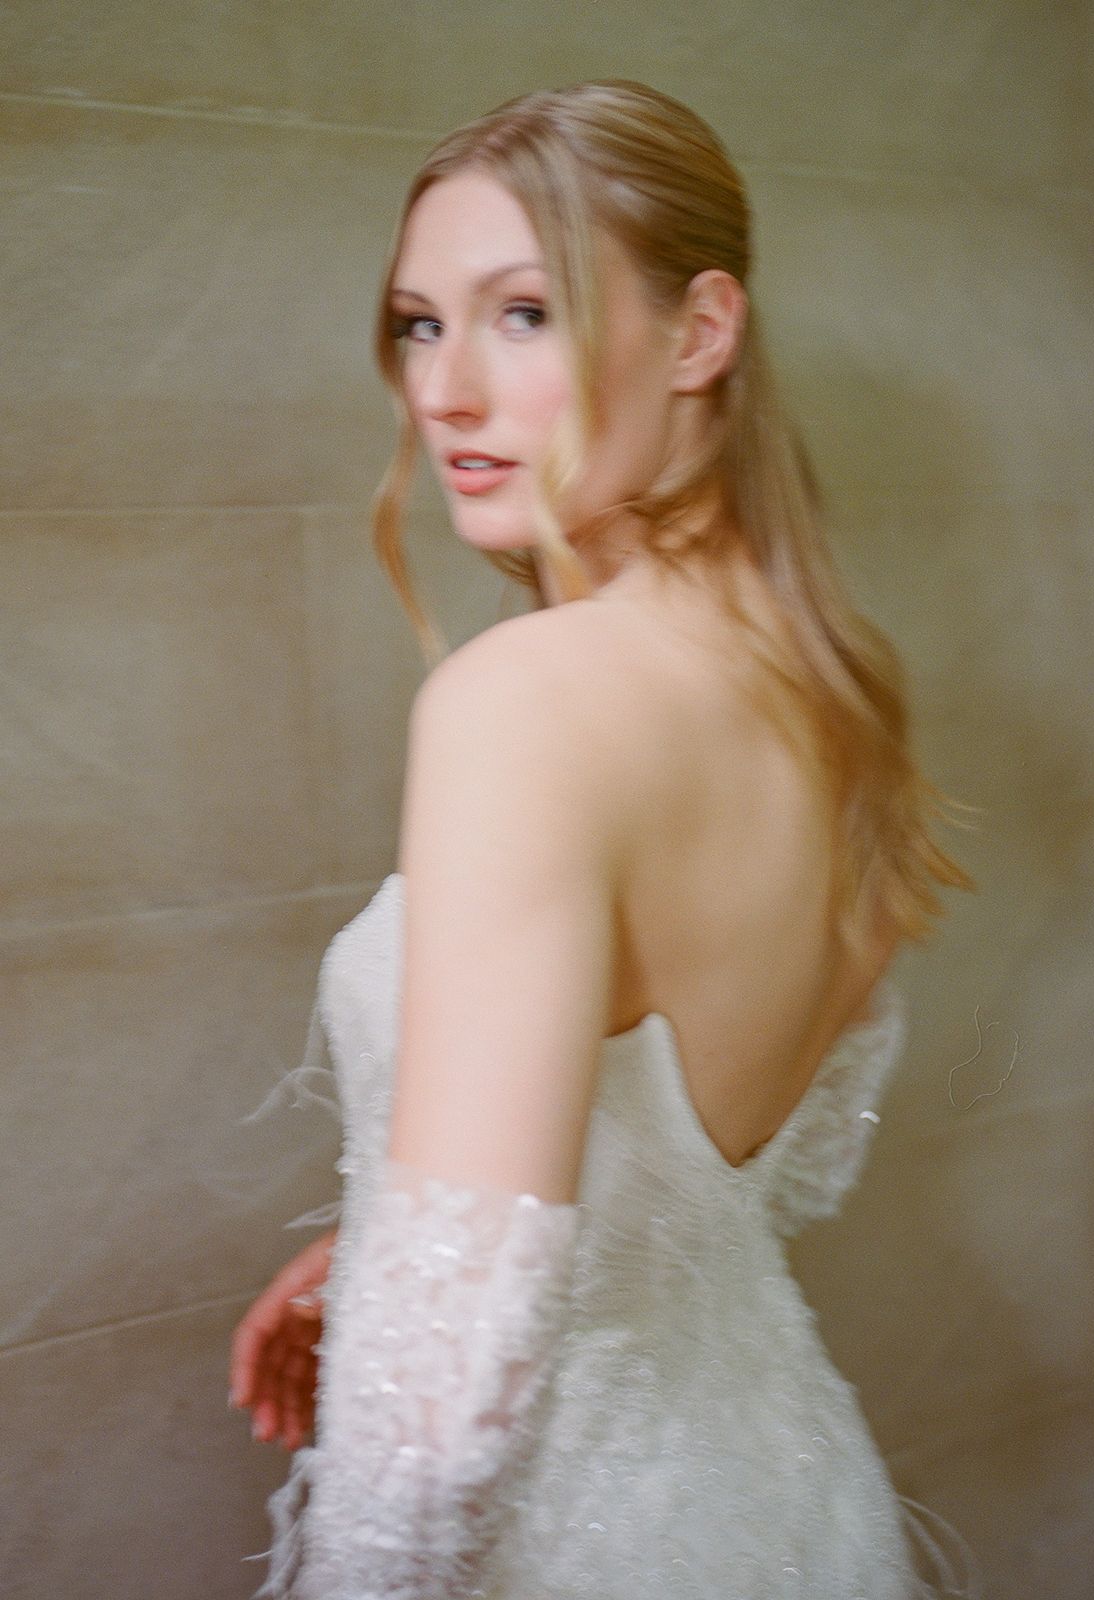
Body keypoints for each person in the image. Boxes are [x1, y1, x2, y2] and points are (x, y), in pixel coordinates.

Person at [230, 78, 981, 1598]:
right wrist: (389, 1250)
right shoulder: (832, 694)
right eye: (420, 325)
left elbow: (436, 1419)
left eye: (524, 314)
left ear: (701, 333)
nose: (445, 393)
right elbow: (730, 1181)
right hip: (780, 1508)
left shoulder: (524, 705)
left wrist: (428, 1298)